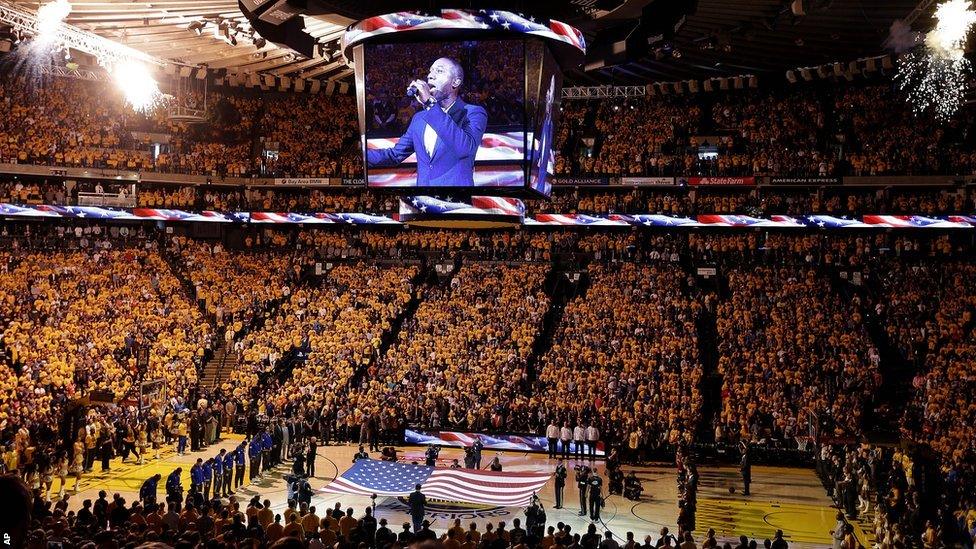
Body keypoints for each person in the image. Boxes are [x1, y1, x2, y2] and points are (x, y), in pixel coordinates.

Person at [366, 57, 488, 187]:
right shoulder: (419, 118)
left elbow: (463, 149)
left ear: (456, 82)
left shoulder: (473, 113)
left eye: (439, 71)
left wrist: (430, 104)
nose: (430, 76)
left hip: (456, 201)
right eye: (430, 71)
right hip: (423, 200)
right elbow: (394, 155)